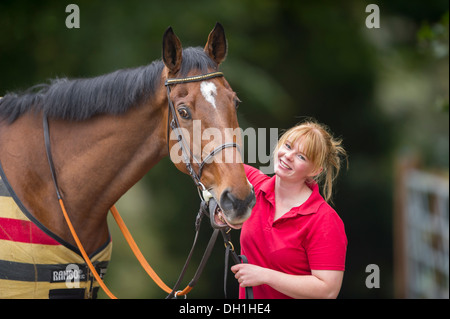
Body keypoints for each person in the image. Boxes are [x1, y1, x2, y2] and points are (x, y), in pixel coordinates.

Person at [231, 119, 348, 299]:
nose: (288, 156)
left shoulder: (324, 220)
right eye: (287, 146)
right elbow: (210, 165)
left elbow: (328, 291)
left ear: (315, 170)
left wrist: (265, 275)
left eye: (301, 156)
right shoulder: (252, 184)